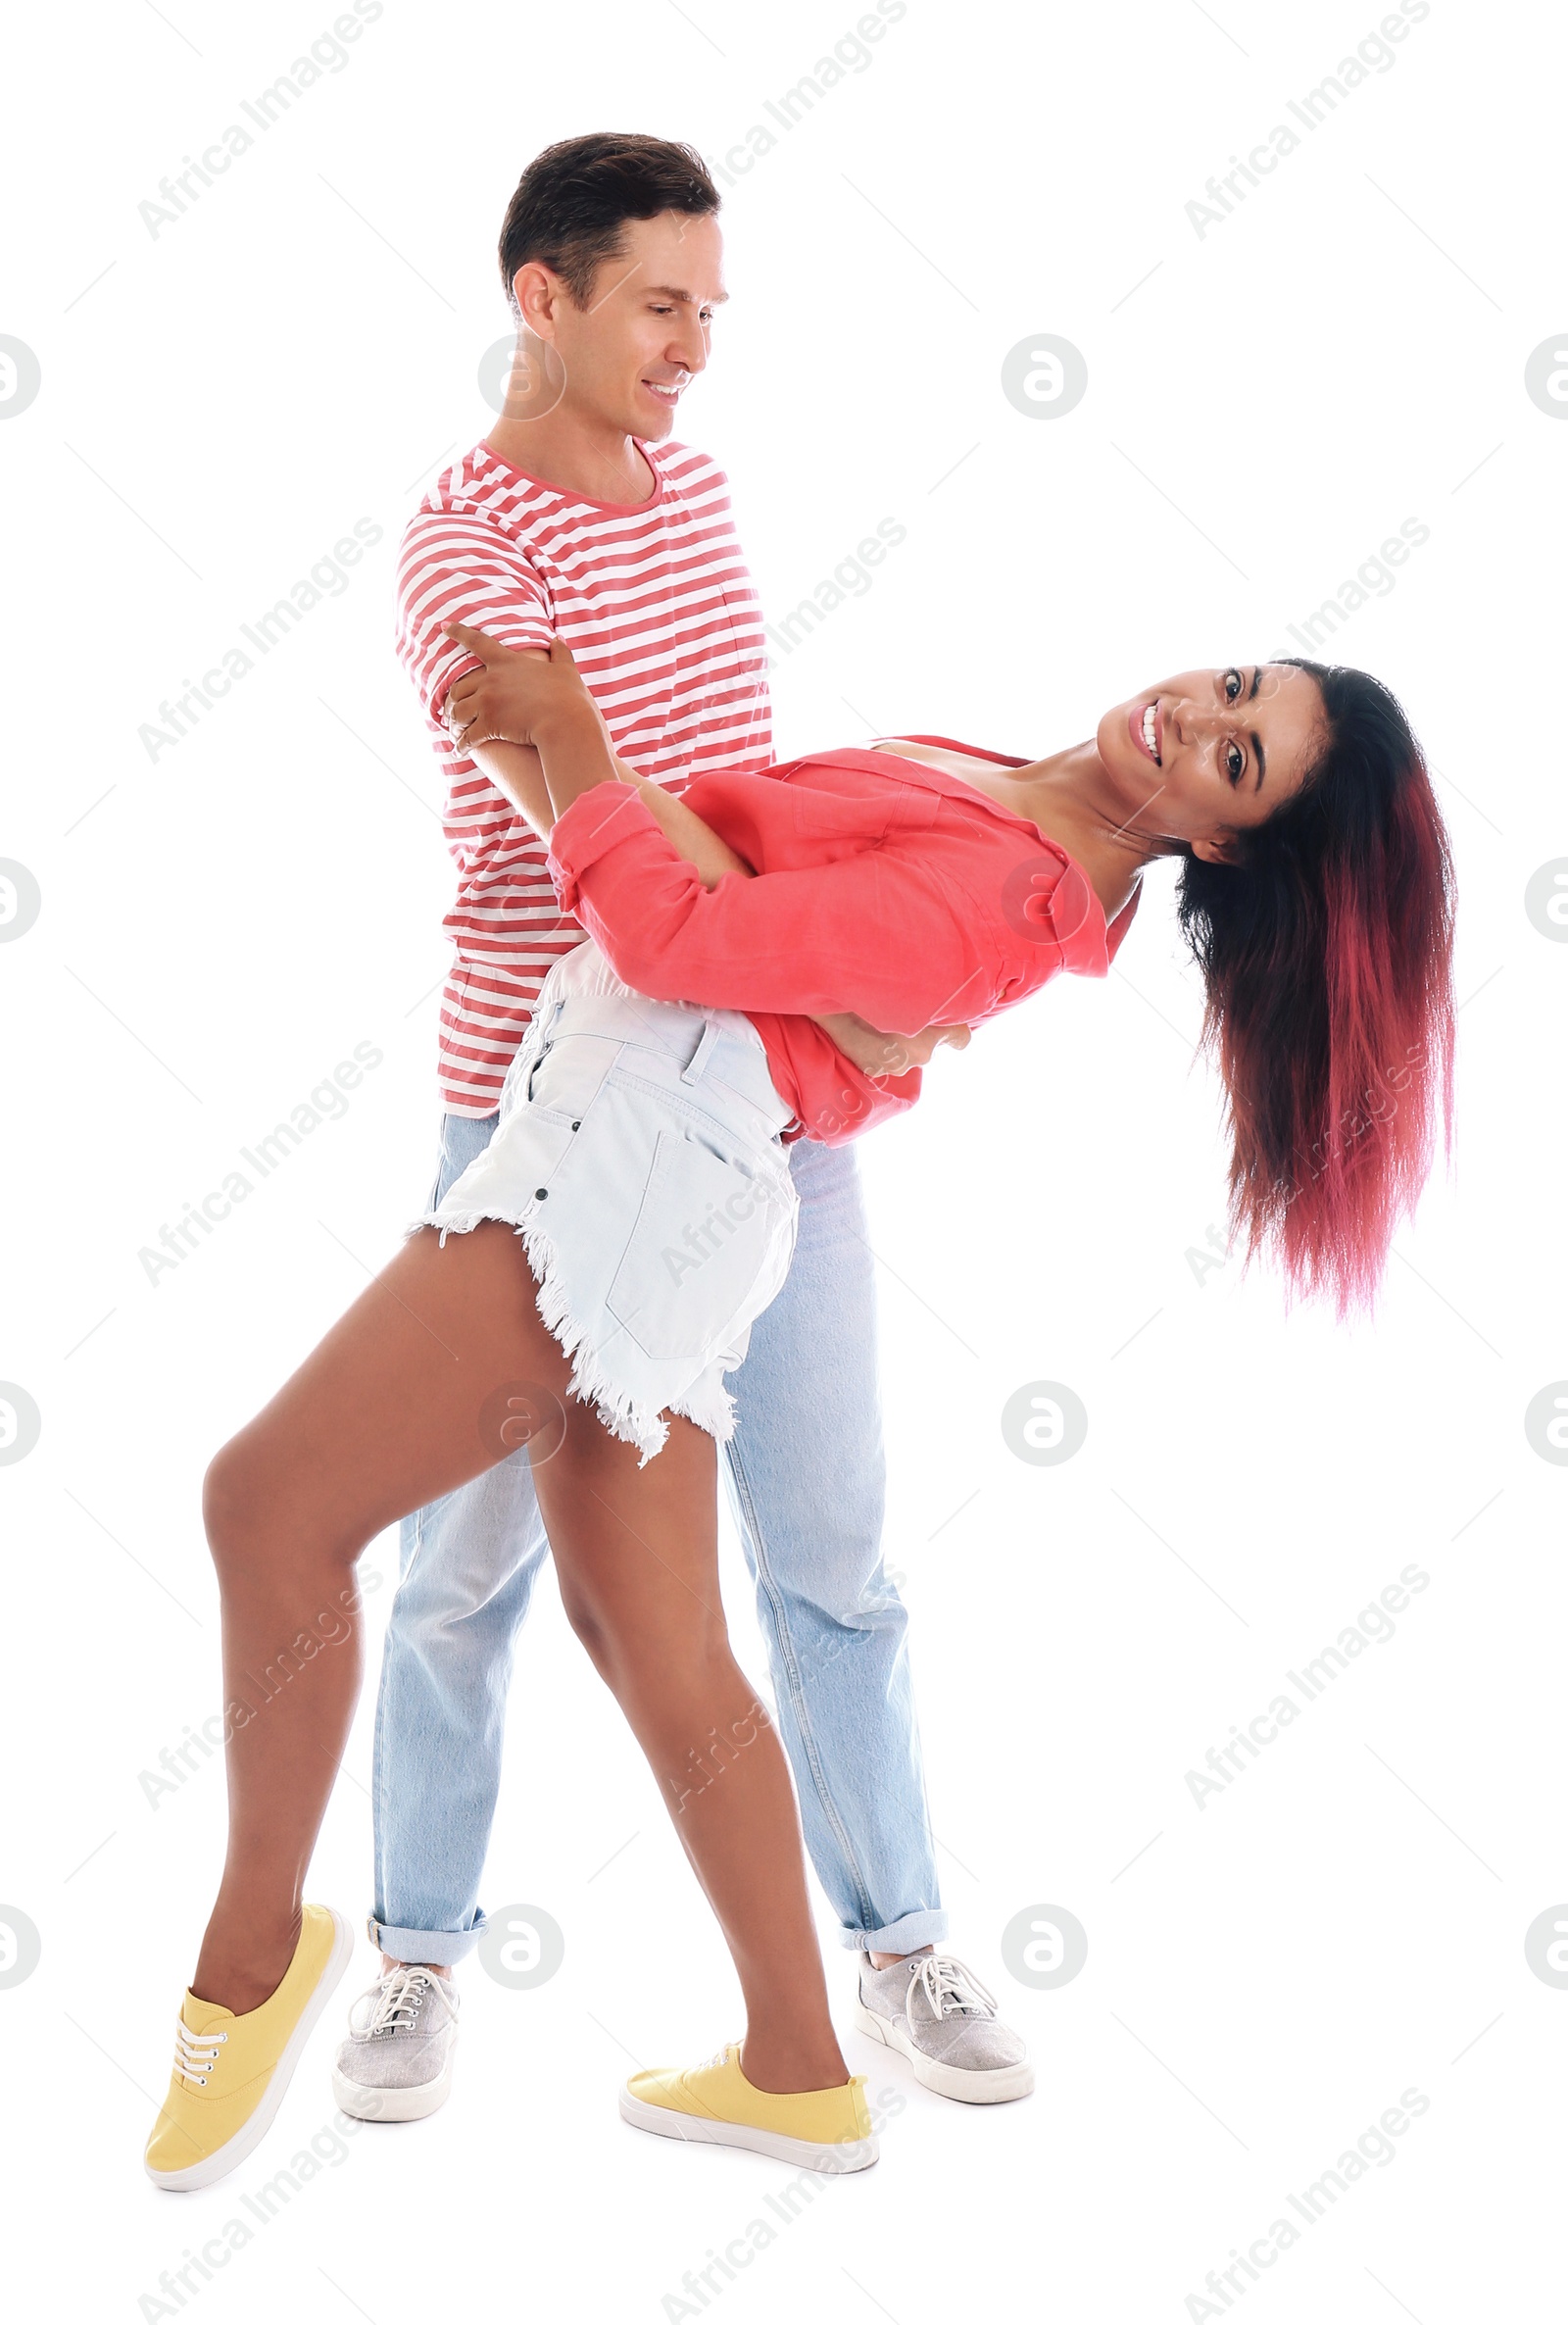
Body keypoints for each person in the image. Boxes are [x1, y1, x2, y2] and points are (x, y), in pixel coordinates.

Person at [143, 620, 1454, 2191]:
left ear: (1232, 848)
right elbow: (759, 897)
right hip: (658, 1143)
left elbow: (683, 938)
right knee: (651, 1638)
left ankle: (249, 1956)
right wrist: (839, 1018)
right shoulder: (1007, 785)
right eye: (1237, 687)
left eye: (1237, 759)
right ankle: (798, 2070)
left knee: (265, 1506)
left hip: (628, 1164)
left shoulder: (1029, 890)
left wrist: (565, 738)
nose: (1194, 716)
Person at [340, 129, 1028, 2138]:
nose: (692, 348)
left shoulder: (695, 486)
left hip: (763, 1093)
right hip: (542, 1112)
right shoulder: (465, 552)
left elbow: (743, 797)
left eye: (710, 311)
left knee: (829, 1547)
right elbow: (568, 781)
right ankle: (412, 1945)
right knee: (465, 1563)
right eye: (658, 306)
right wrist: (821, 957)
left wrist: (890, 946)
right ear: (537, 301)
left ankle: (893, 1942)